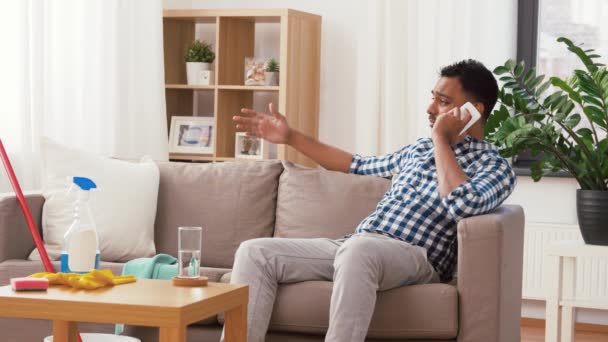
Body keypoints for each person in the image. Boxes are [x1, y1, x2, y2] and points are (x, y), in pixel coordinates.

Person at [224, 59, 517, 342]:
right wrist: (290, 136)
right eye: (432, 98)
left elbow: (461, 203)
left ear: (474, 111)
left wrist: (441, 140)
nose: (430, 109)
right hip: (357, 244)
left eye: (442, 101)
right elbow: (356, 165)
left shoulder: (493, 166)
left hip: (416, 257)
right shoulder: (417, 149)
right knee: (255, 252)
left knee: (359, 249)